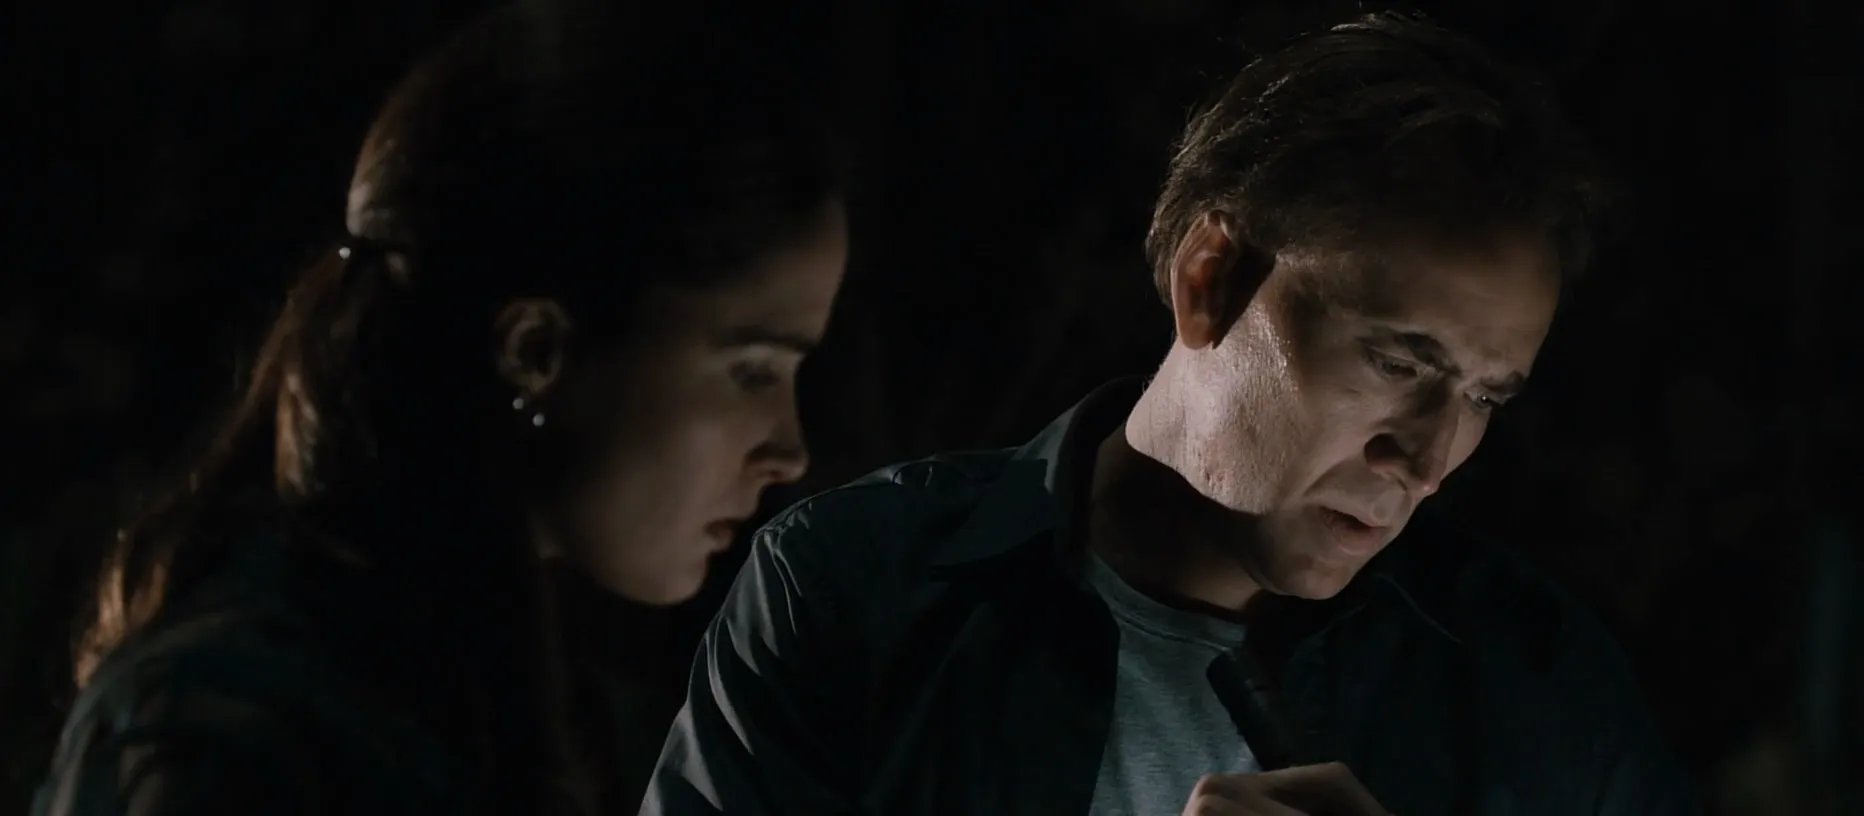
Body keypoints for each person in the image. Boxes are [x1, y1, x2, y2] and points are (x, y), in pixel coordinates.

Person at [644, 11, 1695, 816]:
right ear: (1210, 278)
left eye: (1482, 398)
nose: (1425, 457)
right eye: (1395, 361)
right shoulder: (854, 588)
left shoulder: (1534, 685)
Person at [31, 3, 847, 815]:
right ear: (535, 350)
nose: (790, 451)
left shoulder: (513, 704)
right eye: (752, 372)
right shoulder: (230, 733)